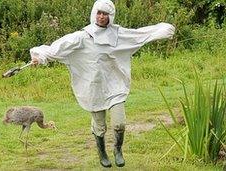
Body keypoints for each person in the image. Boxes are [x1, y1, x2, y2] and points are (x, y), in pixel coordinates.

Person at [29, 0, 175, 168]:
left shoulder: (119, 34)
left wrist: (163, 30)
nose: (101, 16)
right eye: (99, 12)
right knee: (100, 126)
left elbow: (140, 35)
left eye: (105, 13)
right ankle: (102, 152)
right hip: (94, 88)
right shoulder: (83, 36)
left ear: (110, 16)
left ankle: (118, 150)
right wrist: (39, 56)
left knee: (119, 123)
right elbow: (56, 49)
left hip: (115, 86)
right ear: (94, 14)